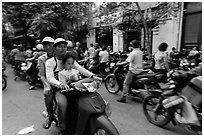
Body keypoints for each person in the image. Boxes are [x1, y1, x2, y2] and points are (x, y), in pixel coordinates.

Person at [45, 38, 100, 134]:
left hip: (74, 86)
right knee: (62, 104)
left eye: (64, 47)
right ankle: (63, 127)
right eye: (60, 47)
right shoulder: (50, 62)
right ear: (54, 48)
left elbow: (79, 68)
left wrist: (92, 75)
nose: (63, 49)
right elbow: (49, 78)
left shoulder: (69, 58)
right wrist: (60, 84)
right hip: (59, 89)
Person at [37, 37, 57, 129]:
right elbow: (42, 75)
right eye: (45, 46)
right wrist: (47, 85)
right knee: (47, 93)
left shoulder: (61, 55)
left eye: (50, 45)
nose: (48, 47)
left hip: (62, 80)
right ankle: (50, 116)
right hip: (49, 81)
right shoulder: (42, 58)